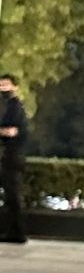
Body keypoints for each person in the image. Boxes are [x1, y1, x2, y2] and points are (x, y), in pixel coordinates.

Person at [0, 73, 29, 244]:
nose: (2, 88)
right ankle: (13, 232)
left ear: (15, 87)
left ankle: (18, 233)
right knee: (10, 196)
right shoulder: (10, 106)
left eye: (5, 85)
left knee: (13, 195)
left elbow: (12, 131)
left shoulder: (15, 107)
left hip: (13, 156)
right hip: (11, 155)